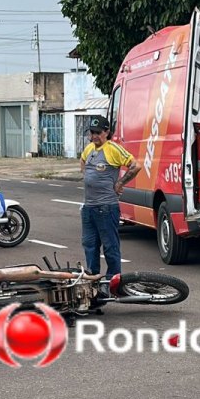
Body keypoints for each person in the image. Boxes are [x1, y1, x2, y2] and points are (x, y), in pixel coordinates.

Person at [79, 116, 139, 279]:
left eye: (98, 133)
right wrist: (86, 175)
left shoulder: (113, 148)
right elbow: (83, 160)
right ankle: (93, 280)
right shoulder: (89, 148)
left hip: (106, 208)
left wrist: (120, 183)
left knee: (110, 247)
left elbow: (135, 165)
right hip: (89, 207)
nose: (94, 136)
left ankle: (113, 281)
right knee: (89, 245)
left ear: (107, 132)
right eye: (92, 133)